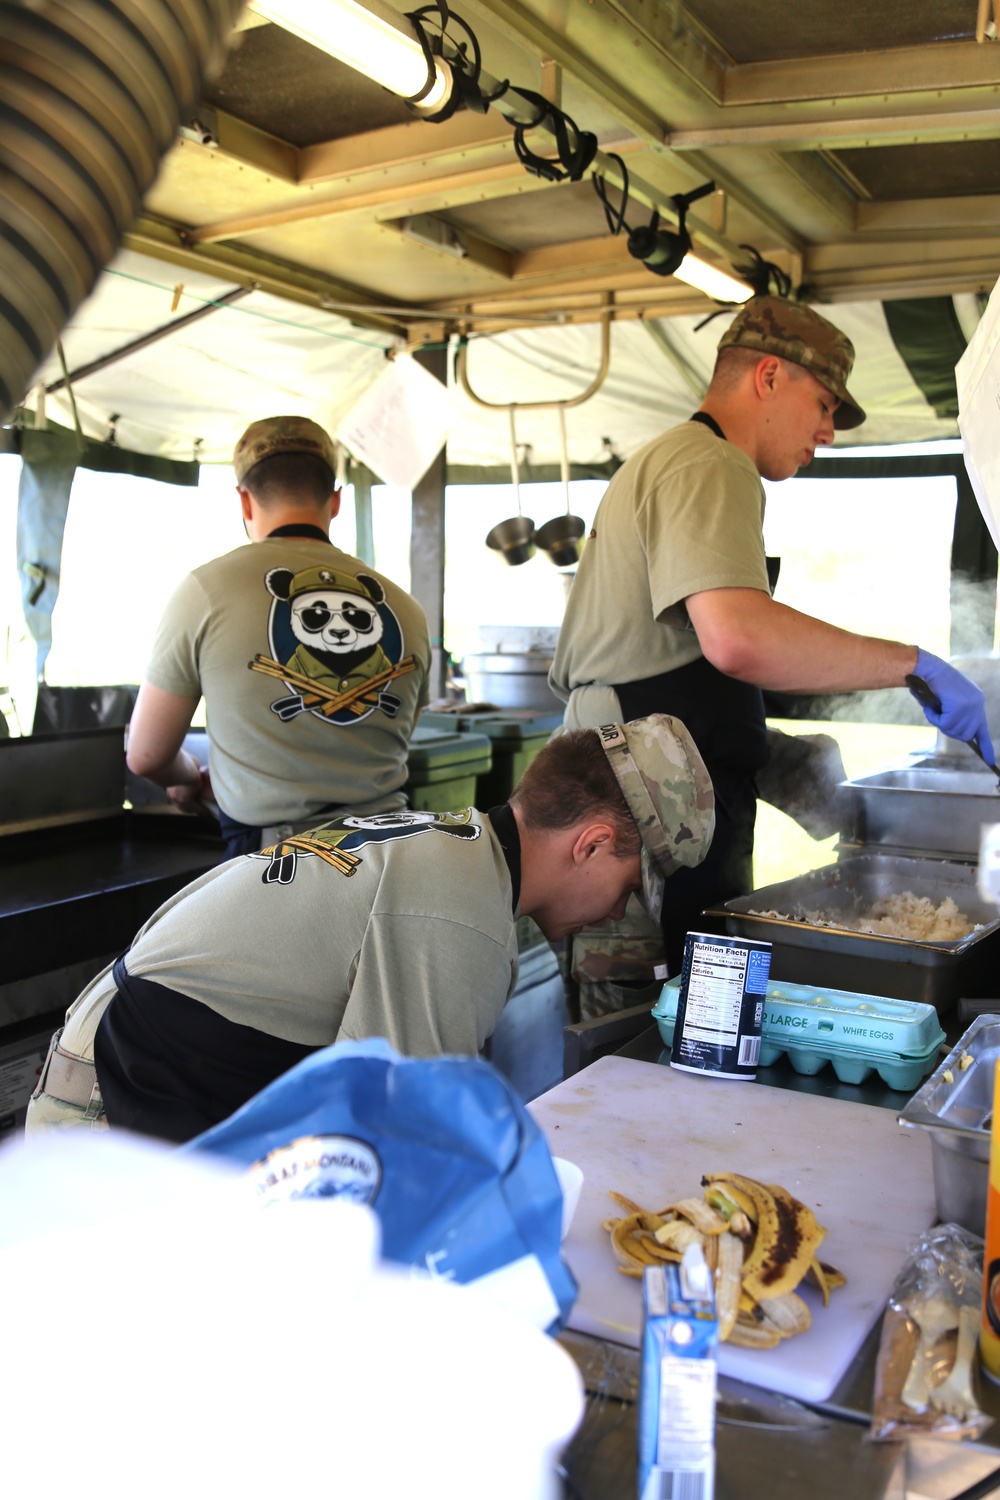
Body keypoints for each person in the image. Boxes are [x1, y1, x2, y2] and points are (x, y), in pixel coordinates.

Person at [550, 294, 994, 985]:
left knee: (659, 1012)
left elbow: (699, 659)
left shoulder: (679, 459)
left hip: (639, 779)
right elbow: (738, 639)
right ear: (768, 377)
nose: (829, 433)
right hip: (639, 794)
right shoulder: (710, 464)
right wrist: (914, 664)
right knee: (651, 1024)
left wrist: (783, 753)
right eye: (823, 405)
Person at [25, 713, 715, 1144]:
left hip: (150, 1073)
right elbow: (403, 1140)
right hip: (108, 1110)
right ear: (591, 844)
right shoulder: (459, 909)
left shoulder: (454, 845)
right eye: (630, 884)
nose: (623, 910)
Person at [126, 415, 431, 858]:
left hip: (275, 857)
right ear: (336, 500)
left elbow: (147, 756)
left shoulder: (206, 591)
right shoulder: (406, 607)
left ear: (244, 503)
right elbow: (395, 736)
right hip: (391, 849)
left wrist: (191, 777)